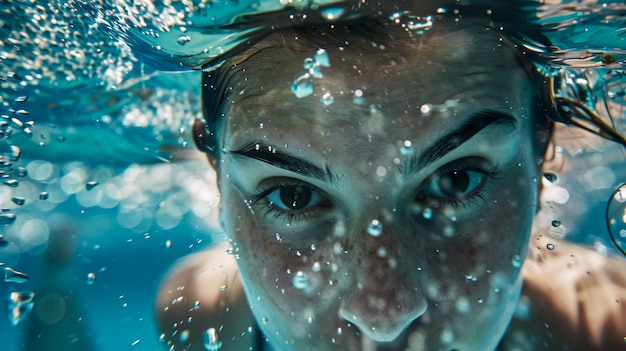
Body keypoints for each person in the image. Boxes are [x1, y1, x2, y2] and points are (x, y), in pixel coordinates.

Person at [156, 3, 626, 350]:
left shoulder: (605, 327)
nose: (384, 318)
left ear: (540, 149)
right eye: (293, 195)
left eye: (456, 180)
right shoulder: (202, 313)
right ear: (218, 175)